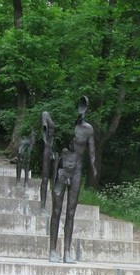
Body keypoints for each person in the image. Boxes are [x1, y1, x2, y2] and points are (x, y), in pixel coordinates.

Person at [48, 96, 97, 263]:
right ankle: (52, 250)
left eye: (84, 107)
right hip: (62, 169)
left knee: (71, 212)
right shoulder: (65, 126)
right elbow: (52, 144)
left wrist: (94, 167)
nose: (82, 111)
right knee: (56, 210)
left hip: (77, 171)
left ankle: (67, 251)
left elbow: (92, 152)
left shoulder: (88, 129)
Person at [40, 111, 57, 213]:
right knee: (45, 178)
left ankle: (50, 205)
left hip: (50, 147)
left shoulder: (50, 118)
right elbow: (44, 128)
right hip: (47, 148)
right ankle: (42, 206)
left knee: (53, 179)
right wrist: (47, 143)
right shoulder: (45, 114)